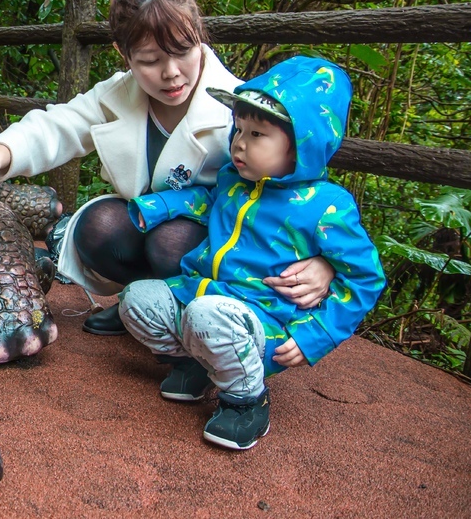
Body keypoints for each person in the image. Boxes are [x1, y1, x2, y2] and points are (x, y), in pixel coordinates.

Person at [0, 0, 335, 332]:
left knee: (172, 238)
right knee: (98, 225)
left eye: (183, 51)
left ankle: (192, 324)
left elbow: (301, 184)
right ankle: (140, 305)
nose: (172, 73)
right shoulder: (118, 94)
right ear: (122, 54)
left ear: (200, 35)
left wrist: (325, 261)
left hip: (220, 246)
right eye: (150, 61)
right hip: (151, 223)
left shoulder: (241, 106)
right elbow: (56, 125)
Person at [119, 56, 386, 450]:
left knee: (207, 316)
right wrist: (157, 207)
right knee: (137, 299)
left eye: (258, 135)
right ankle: (202, 365)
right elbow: (208, 201)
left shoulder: (326, 206)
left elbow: (365, 277)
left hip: (262, 319)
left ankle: (246, 402)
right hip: (201, 295)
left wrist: (319, 333)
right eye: (238, 129)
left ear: (302, 147)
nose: (239, 143)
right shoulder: (233, 179)